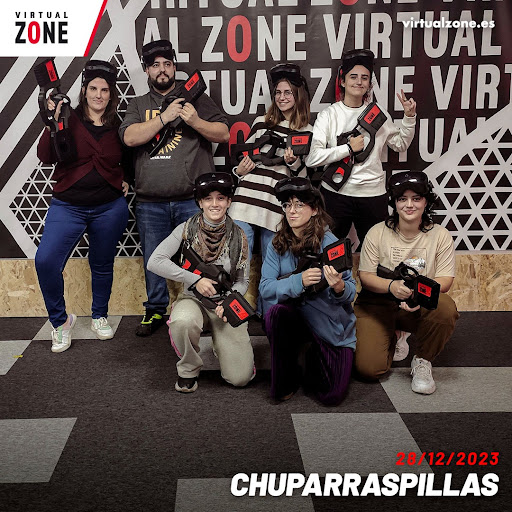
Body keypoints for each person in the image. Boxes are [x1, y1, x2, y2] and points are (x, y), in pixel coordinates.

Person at [120, 39, 230, 337]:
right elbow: (129, 138)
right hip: (150, 201)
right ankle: (155, 310)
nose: (162, 69)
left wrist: (194, 120)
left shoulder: (195, 98)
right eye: (155, 65)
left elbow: (223, 133)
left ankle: (201, 306)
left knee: (201, 257)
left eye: (167, 64)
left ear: (174, 67)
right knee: (154, 258)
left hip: (191, 200)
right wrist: (164, 118)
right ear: (147, 70)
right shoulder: (139, 104)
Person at [35, 60, 129, 353]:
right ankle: (61, 322)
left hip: (109, 207)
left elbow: (129, 158)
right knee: (46, 261)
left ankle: (100, 315)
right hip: (68, 206)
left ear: (111, 95)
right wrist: (52, 123)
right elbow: (45, 155)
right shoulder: (67, 117)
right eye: (93, 88)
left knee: (101, 263)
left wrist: (127, 178)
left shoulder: (119, 126)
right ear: (84, 91)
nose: (99, 95)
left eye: (105, 90)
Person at [147, 172, 254, 393]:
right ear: (200, 202)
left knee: (240, 378)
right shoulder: (186, 229)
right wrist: (195, 280)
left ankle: (222, 346)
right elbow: (155, 262)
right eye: (208, 199)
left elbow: (242, 280)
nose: (215, 204)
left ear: (229, 202)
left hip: (223, 305)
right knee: (182, 321)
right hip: (193, 299)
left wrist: (230, 301)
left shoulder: (240, 235)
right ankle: (188, 369)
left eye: (221, 198)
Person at [355, 171, 459, 394]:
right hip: (378, 304)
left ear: (426, 202)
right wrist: (391, 287)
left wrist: (416, 296)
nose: (409, 205)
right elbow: (366, 276)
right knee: (368, 370)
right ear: (394, 202)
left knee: (445, 308)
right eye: (402, 199)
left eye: (416, 198)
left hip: (416, 303)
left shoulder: (440, 235)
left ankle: (422, 359)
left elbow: (445, 280)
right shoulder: (376, 232)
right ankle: (394, 335)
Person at [259, 177, 357, 406]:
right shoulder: (276, 243)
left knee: (331, 397)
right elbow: (265, 288)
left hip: (328, 324)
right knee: (275, 314)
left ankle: (312, 354)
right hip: (294, 319)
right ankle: (287, 376)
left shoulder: (331, 243)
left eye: (299, 205)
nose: (291, 211)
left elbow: (351, 291)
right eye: (287, 205)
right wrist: (298, 281)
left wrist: (339, 287)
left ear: (314, 210)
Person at [305, 49, 417, 247]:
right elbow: (313, 158)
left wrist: (409, 117)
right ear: (342, 81)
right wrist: (348, 149)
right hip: (336, 194)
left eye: (364, 78)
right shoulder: (329, 115)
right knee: (330, 252)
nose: (359, 82)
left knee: (378, 253)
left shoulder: (378, 113)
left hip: (372, 195)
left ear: (369, 84)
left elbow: (400, 144)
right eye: (353, 77)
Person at [229, 63, 312, 264]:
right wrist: (238, 170)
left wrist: (293, 163)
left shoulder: (307, 131)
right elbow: (243, 157)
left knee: (272, 265)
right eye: (278, 93)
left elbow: (304, 179)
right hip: (245, 200)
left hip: (275, 205)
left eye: (288, 92)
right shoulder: (261, 122)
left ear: (298, 95)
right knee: (238, 263)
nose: (282, 97)